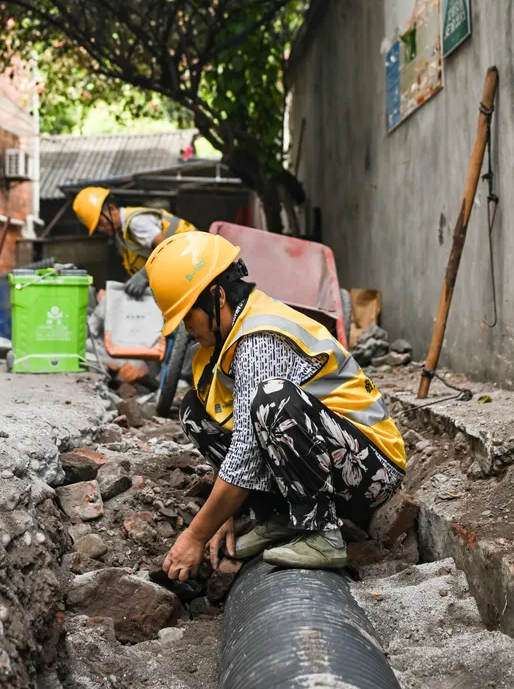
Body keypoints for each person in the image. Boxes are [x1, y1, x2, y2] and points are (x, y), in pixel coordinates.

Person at [145, 231, 406, 576]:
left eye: (188, 315)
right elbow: (238, 431)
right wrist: (222, 514)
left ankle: (322, 535)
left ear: (217, 296)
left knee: (273, 399)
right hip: (332, 464)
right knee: (196, 411)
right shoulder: (229, 336)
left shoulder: (259, 340)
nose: (186, 328)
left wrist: (195, 535)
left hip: (371, 472)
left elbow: (246, 453)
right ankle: (279, 517)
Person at [72, 185, 195, 298]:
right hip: (184, 270)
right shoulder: (122, 235)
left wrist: (144, 276)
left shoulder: (136, 223)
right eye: (97, 227)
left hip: (194, 262)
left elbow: (167, 248)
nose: (101, 229)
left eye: (100, 223)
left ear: (112, 209)